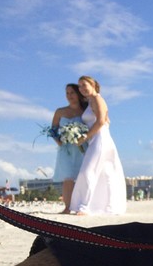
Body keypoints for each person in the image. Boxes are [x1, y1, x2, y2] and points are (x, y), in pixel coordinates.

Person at [70, 76, 127, 215]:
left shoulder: (97, 99)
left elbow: (101, 121)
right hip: (98, 139)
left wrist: (85, 137)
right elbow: (106, 120)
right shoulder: (91, 101)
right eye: (79, 86)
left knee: (88, 171)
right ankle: (109, 207)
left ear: (93, 84)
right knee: (105, 173)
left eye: (84, 85)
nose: (81, 89)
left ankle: (84, 206)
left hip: (100, 139)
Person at [51, 84, 87, 214]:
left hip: (82, 148)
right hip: (65, 149)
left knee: (82, 176)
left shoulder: (85, 111)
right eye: (67, 93)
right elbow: (53, 129)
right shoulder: (60, 111)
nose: (69, 96)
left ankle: (81, 206)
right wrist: (59, 142)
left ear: (78, 94)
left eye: (72, 92)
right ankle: (67, 207)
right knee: (68, 177)